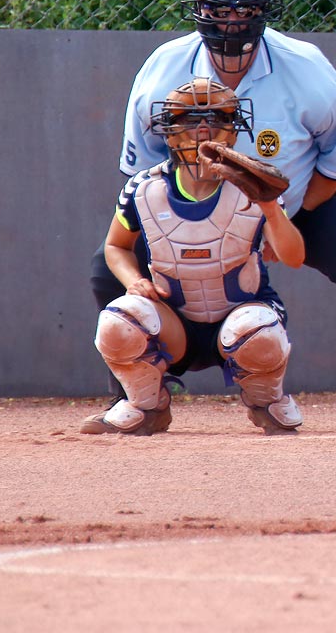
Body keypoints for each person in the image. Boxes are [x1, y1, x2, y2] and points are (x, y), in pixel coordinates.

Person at [88, 0, 336, 431]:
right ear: (199, 17)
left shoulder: (306, 69)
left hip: (287, 205)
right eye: (218, 15)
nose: (231, 26)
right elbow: (143, 171)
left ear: (262, 18)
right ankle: (137, 400)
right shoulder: (163, 69)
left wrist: (279, 221)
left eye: (243, 14)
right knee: (107, 268)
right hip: (189, 206)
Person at [82, 79, 306, 435]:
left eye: (216, 118)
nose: (203, 130)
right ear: (170, 134)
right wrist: (132, 281)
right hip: (174, 323)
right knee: (118, 322)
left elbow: (293, 257)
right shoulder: (144, 187)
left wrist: (270, 207)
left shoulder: (252, 185)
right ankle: (147, 405)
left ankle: (266, 400)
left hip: (239, 313)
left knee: (259, 332)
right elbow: (115, 246)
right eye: (189, 120)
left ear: (233, 131)